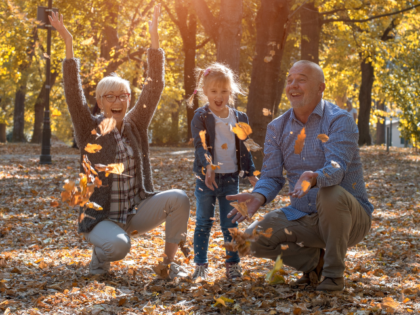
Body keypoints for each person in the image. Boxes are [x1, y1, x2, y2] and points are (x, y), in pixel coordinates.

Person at [49, 7, 190, 279]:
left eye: (122, 95)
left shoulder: (135, 124)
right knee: (119, 247)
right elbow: (72, 93)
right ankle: (101, 255)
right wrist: (68, 42)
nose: (117, 101)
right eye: (109, 97)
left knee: (180, 199)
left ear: (128, 98)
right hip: (100, 218)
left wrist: (154, 39)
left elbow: (154, 85)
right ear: (100, 102)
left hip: (135, 210)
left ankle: (167, 265)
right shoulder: (89, 128)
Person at [227, 60, 373, 291]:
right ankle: (315, 262)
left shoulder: (339, 120)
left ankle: (333, 275)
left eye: (301, 79)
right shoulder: (277, 127)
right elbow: (272, 176)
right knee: (247, 241)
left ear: (320, 88)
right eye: (290, 80)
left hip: (349, 217)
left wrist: (314, 177)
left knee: (329, 193)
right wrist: (259, 195)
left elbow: (337, 168)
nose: (293, 85)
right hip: (302, 215)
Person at [190, 63, 258, 280]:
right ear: (205, 92)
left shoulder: (240, 118)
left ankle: (233, 264)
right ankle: (200, 264)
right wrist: (208, 164)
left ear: (231, 92)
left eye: (224, 91)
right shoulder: (200, 116)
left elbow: (245, 149)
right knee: (203, 222)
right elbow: (200, 146)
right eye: (213, 91)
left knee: (231, 223)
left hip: (230, 179)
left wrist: (252, 176)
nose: (218, 96)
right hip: (206, 179)